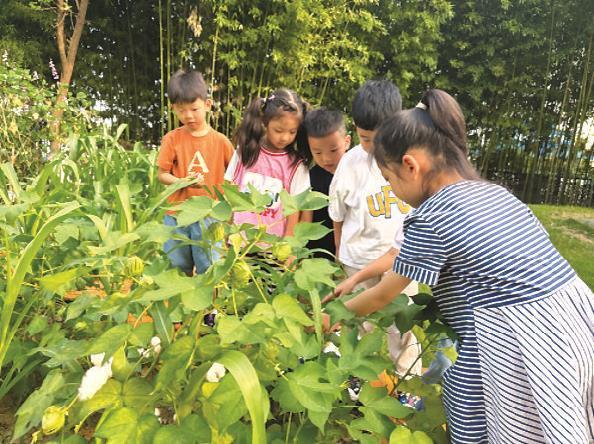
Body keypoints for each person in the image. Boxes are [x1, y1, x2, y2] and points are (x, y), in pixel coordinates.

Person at [330, 88, 594, 444]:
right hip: (568, 322)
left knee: (506, 426)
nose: (392, 191)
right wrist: (358, 276)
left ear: (410, 165)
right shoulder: (491, 192)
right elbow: (402, 259)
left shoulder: (432, 216)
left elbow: (382, 295)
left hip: (514, 341)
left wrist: (332, 315)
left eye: (390, 181)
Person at [328, 79, 421, 375]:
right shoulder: (350, 164)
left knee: (402, 325)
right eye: (365, 138)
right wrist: (342, 255)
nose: (372, 146)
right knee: (358, 323)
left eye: (378, 138)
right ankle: (359, 380)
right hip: (358, 260)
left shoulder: (411, 161)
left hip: (402, 261)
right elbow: (338, 215)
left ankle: (407, 380)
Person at [157, 70, 234, 275]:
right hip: (176, 215)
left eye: (194, 108)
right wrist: (183, 182)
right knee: (176, 266)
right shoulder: (172, 139)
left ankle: (210, 307)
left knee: (209, 266)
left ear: (207, 105)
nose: (188, 115)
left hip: (209, 216)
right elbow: (162, 174)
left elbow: (235, 176)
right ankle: (180, 304)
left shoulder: (221, 142)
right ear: (173, 109)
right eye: (182, 110)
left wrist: (229, 209)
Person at [225, 88, 310, 237]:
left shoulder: (296, 165)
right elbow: (229, 191)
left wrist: (289, 250)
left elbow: (295, 211)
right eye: (278, 130)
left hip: (273, 250)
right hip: (239, 243)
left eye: (292, 132)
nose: (285, 137)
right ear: (265, 122)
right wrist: (225, 232)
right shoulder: (244, 152)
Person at [300, 108, 350, 259]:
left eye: (333, 150)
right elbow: (305, 222)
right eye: (318, 153)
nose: (326, 159)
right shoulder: (309, 178)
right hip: (317, 255)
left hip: (351, 255)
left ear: (347, 142)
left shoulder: (357, 173)